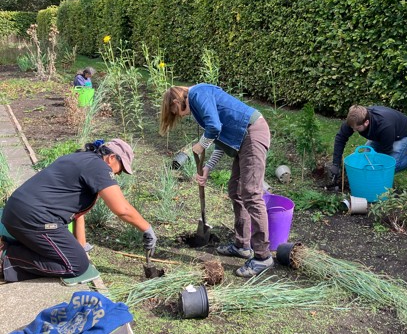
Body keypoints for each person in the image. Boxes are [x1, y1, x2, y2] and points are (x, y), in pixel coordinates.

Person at [0, 139, 157, 283]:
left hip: (17, 213)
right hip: (35, 219)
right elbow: (122, 209)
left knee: (75, 255)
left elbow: (77, 212)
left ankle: (9, 248)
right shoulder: (99, 167)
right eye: (120, 169)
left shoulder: (81, 159)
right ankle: (5, 259)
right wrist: (147, 228)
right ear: (111, 158)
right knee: (75, 265)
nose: (118, 174)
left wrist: (80, 246)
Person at [161, 84, 272, 278]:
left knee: (251, 194)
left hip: (252, 134)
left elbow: (214, 127)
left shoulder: (197, 94)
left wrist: (201, 145)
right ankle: (242, 245)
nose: (180, 115)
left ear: (177, 101)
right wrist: (208, 167)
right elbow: (222, 137)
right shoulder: (198, 101)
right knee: (236, 191)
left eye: (175, 111)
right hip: (243, 138)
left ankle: (263, 257)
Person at [329, 104, 407, 184]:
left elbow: (385, 153)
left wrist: (375, 167)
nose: (354, 130)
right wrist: (336, 164)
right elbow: (340, 138)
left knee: (390, 167)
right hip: (381, 136)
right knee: (365, 160)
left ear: (366, 123)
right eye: (352, 128)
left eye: (357, 128)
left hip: (403, 135)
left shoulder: (384, 126)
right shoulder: (355, 119)